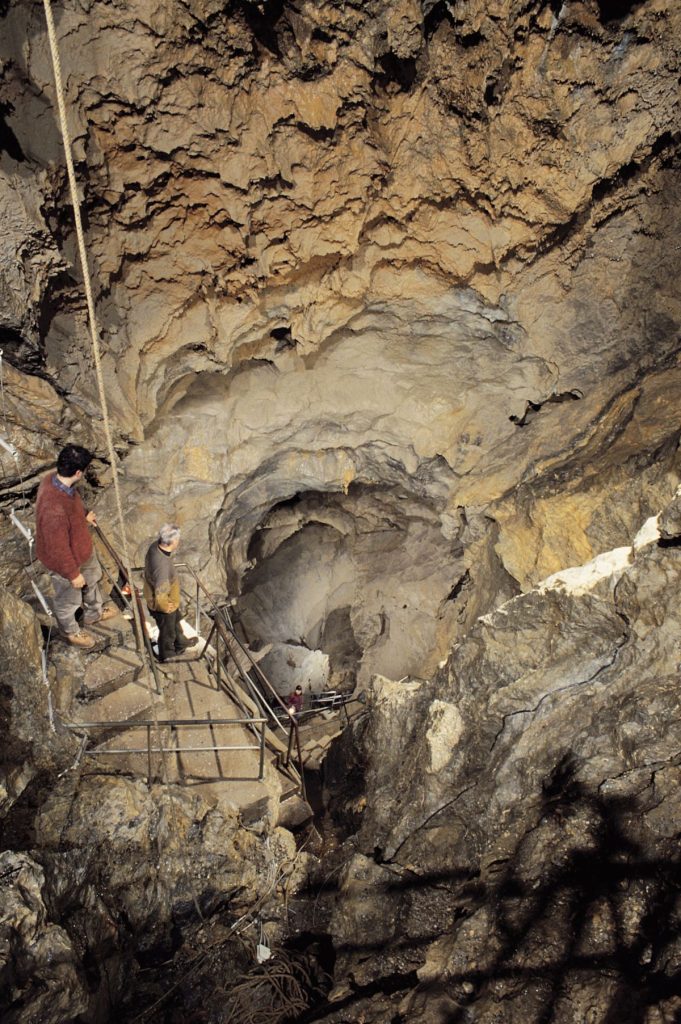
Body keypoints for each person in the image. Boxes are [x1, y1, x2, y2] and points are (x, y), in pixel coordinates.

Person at [35, 444, 119, 648]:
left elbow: (70, 510)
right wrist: (72, 574)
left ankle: (94, 613)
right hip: (65, 562)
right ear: (78, 472)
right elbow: (57, 547)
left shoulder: (54, 479)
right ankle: (69, 631)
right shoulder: (53, 508)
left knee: (92, 580)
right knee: (68, 600)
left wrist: (82, 517)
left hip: (81, 549)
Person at [143, 524, 198, 663]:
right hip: (162, 602)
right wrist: (165, 608)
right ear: (172, 542)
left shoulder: (155, 546)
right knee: (168, 631)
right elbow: (161, 593)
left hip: (167, 598)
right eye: (177, 540)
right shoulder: (162, 567)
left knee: (176, 620)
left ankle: (181, 643)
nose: (178, 542)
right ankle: (167, 655)